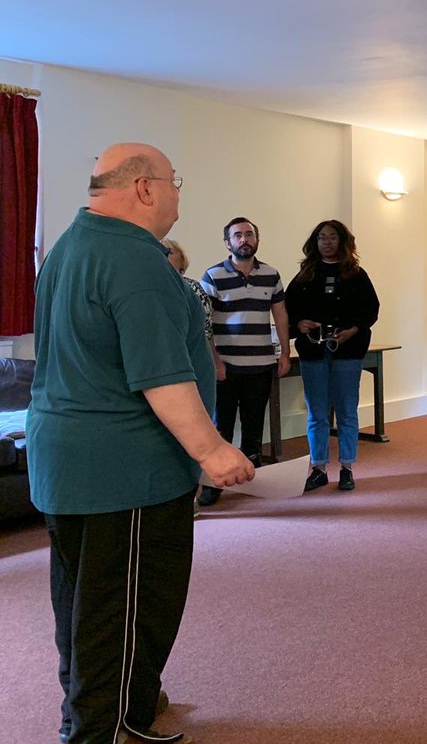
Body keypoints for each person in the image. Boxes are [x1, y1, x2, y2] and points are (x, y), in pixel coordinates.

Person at [27, 143, 253, 744]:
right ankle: (101, 728)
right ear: (145, 188)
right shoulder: (135, 259)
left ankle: (128, 700)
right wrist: (213, 451)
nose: (178, 194)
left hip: (68, 460)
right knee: (125, 608)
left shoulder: (70, 245)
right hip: (125, 470)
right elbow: (160, 376)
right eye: (174, 181)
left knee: (83, 600)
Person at [197, 216, 291, 506]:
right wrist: (214, 361)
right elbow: (204, 323)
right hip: (226, 366)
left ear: (257, 239)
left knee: (254, 425)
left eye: (249, 234)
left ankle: (253, 477)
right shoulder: (213, 276)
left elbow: (280, 314)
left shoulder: (271, 275)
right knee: (221, 427)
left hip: (261, 365)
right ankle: (214, 484)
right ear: (228, 243)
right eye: (237, 235)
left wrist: (285, 352)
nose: (244, 239)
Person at [285, 220, 380, 493]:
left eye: (332, 237)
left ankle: (347, 468)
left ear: (342, 241)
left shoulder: (356, 274)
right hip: (313, 352)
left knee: (346, 411)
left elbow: (371, 310)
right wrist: (299, 324)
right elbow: (287, 309)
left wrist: (353, 330)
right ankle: (319, 469)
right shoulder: (305, 275)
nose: (326, 242)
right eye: (322, 238)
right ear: (315, 242)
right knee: (317, 414)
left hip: (347, 352)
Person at [162, 236, 221, 374]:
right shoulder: (143, 292)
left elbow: (206, 330)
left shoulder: (193, 289)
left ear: (182, 269)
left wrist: (215, 363)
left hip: (190, 361)